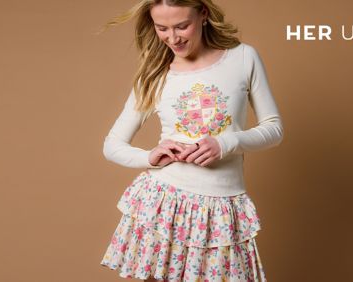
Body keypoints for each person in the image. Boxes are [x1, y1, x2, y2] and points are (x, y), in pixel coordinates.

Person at [95, 0, 284, 281]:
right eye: (162, 28)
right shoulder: (155, 74)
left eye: (182, 26)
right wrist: (149, 157)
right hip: (165, 203)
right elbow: (112, 145)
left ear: (203, 14)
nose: (173, 38)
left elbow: (274, 129)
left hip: (221, 208)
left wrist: (225, 143)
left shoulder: (243, 58)